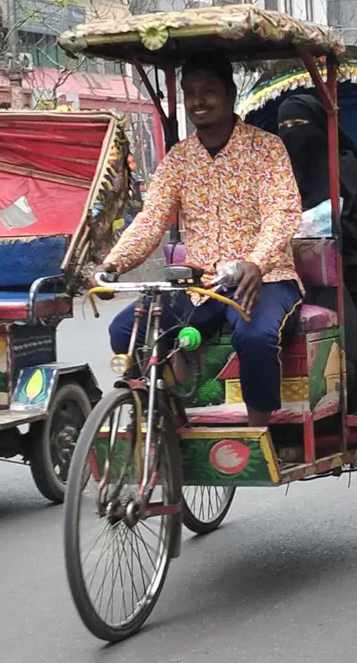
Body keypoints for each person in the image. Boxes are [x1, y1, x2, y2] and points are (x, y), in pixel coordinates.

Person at [94, 56, 303, 429]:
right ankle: (168, 416)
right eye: (189, 93)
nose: (197, 101)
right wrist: (113, 264)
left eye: (208, 91)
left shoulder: (265, 148)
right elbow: (152, 218)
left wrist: (255, 262)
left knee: (255, 337)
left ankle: (257, 433)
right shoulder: (180, 158)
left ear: (230, 94)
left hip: (264, 279)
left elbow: (282, 211)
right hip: (201, 285)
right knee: (125, 330)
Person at [276, 93, 357, 414]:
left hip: (343, 265)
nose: (293, 135)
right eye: (284, 128)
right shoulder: (275, 174)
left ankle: (344, 388)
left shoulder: (344, 167)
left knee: (334, 302)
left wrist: (333, 227)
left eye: (300, 125)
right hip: (282, 268)